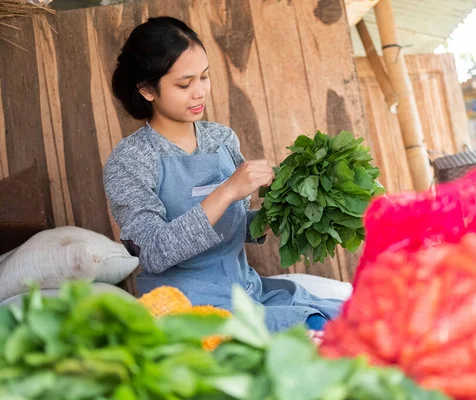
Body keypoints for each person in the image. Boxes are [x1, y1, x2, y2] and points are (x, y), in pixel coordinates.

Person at [103, 16, 342, 332]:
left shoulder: (221, 139)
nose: (199, 92)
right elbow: (155, 253)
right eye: (184, 84)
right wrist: (228, 190)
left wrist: (282, 210)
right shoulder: (130, 160)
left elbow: (238, 227)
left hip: (244, 290)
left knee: (340, 317)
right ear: (148, 90)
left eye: (204, 77)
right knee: (307, 330)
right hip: (186, 305)